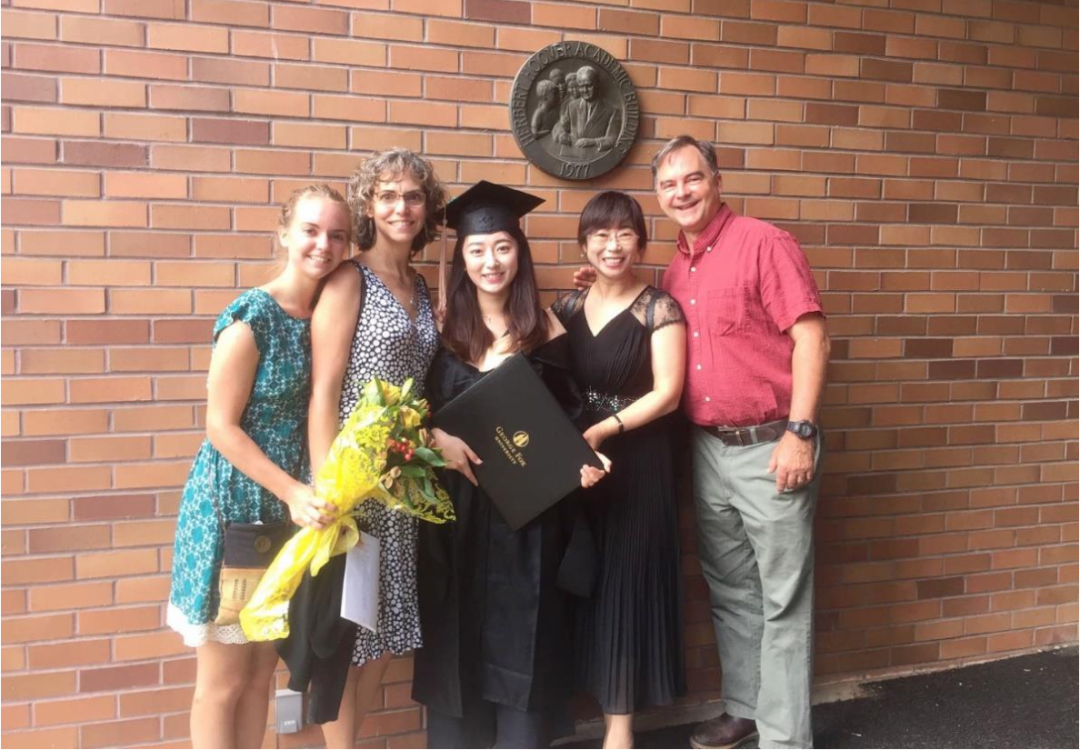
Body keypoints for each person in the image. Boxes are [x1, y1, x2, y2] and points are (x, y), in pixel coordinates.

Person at [577, 135, 830, 749]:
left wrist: (800, 432)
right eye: (668, 184)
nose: (681, 192)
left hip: (771, 444)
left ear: (716, 181)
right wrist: (600, 282)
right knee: (732, 589)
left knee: (782, 598)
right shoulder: (673, 269)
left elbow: (812, 338)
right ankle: (745, 708)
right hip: (707, 450)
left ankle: (785, 738)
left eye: (692, 178)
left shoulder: (763, 243)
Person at [414, 181, 610, 749]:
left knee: (525, 639)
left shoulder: (547, 331)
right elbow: (413, 412)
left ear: (519, 253)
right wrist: (435, 437)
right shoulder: (441, 330)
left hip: (529, 523)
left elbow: (569, 423)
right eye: (477, 250)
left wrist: (585, 463)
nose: (490, 261)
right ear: (462, 258)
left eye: (502, 246)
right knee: (458, 639)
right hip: (456, 518)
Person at [167, 184, 351, 748]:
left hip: (289, 512)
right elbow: (220, 427)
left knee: (261, 673)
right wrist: (294, 490)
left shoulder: (324, 314)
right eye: (311, 231)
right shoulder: (253, 318)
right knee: (223, 681)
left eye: (337, 235)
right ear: (285, 233)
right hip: (236, 511)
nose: (323, 245)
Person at [307, 148, 446, 748]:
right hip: (355, 484)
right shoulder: (348, 279)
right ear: (369, 205)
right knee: (351, 635)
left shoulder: (420, 284)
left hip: (403, 484)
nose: (401, 207)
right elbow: (324, 391)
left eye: (413, 196)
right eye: (387, 195)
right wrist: (326, 487)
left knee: (386, 633)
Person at [553, 191, 687, 749]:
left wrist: (605, 430)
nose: (613, 245)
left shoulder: (659, 308)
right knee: (582, 579)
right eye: (601, 235)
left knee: (627, 586)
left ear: (641, 243)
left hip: (638, 462)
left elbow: (669, 393)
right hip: (579, 464)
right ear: (584, 243)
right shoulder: (565, 307)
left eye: (625, 233)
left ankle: (620, 732)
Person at [553, 65, 621, 154]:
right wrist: (561, 134)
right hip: (572, 154)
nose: (585, 90)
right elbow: (560, 125)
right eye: (581, 86)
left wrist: (593, 142)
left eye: (588, 85)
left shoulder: (612, 110)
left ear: (597, 84)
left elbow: (613, 139)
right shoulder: (572, 106)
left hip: (595, 156)